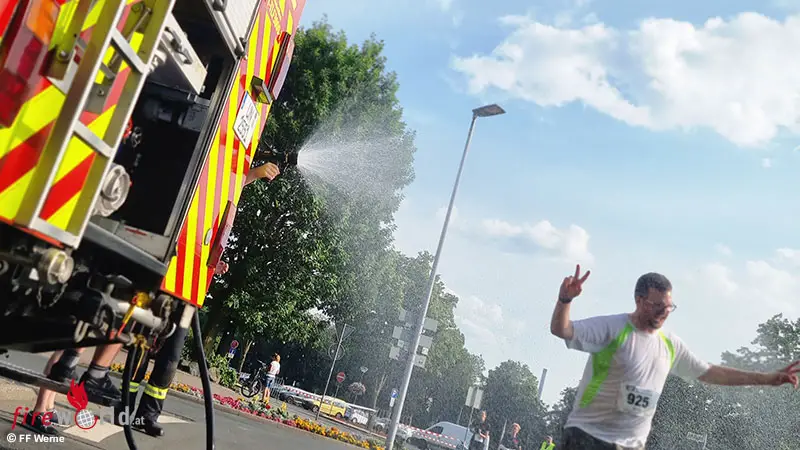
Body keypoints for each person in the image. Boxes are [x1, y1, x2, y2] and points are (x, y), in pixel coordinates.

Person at [24, 162, 282, 437]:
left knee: (84, 333)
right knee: (82, 333)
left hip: (118, 246)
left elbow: (221, 185)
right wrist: (252, 175)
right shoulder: (187, 184)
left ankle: (50, 403)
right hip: (122, 253)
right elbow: (222, 182)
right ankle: (48, 404)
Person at [550, 265, 800, 450]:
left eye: (668, 307)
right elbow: (562, 329)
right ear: (639, 300)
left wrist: (768, 378)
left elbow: (712, 373)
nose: (664, 312)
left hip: (632, 445)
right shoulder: (612, 328)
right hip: (588, 437)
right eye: (657, 305)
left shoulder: (670, 345)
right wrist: (565, 299)